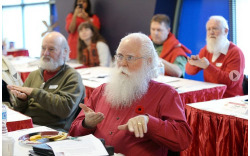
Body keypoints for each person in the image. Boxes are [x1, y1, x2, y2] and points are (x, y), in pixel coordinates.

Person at [69, 32, 192, 156]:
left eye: (130, 58)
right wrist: (86, 124)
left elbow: (183, 139)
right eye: (120, 56)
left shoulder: (165, 94)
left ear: (148, 61)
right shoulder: (102, 90)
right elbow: (73, 133)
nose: (122, 63)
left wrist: (149, 122)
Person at [7, 32, 85, 131]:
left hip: (53, 131)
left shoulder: (72, 77)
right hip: (27, 127)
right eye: (43, 48)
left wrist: (34, 92)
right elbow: (18, 110)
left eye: (51, 49)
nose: (45, 53)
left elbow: (65, 110)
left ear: (65, 52)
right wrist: (22, 100)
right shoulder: (34, 75)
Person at [185, 15, 245, 98]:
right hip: (210, 98)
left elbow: (231, 82)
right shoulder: (205, 50)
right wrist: (192, 63)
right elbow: (190, 72)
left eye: (215, 28)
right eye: (208, 29)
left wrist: (208, 67)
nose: (211, 32)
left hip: (230, 100)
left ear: (226, 31)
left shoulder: (236, 52)